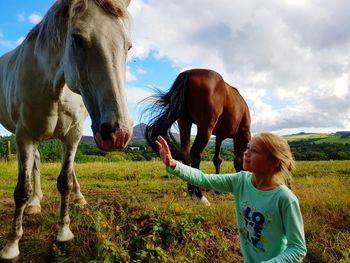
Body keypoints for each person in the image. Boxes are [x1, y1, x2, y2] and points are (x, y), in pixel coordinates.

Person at [156, 133, 307, 263]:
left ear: (273, 162)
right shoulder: (240, 181)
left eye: (254, 151)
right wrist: (174, 164)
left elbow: (298, 248)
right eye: (247, 147)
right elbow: (204, 179)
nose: (246, 153)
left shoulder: (285, 199)